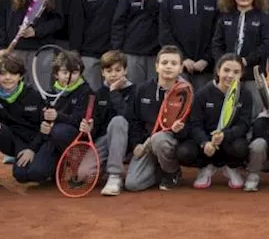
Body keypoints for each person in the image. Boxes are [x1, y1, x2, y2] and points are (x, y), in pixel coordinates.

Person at [0, 52, 46, 194]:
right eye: (3, 73)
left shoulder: (33, 96)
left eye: (12, 73)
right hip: (12, 143)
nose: (8, 78)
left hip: (34, 143)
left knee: (30, 174)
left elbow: (45, 128)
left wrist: (33, 149)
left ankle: (49, 167)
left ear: (20, 76)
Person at [124, 46, 189, 192]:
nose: (168, 66)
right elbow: (133, 120)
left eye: (173, 63)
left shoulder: (186, 92)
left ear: (181, 68)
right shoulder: (141, 89)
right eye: (164, 62)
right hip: (146, 144)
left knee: (159, 139)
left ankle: (172, 171)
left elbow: (192, 126)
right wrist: (136, 144)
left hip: (169, 142)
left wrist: (180, 130)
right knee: (133, 185)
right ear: (157, 66)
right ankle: (158, 170)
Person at [183, 55, 251, 190]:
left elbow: (244, 124)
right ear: (218, 70)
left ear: (241, 74)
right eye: (226, 70)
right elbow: (195, 125)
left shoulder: (245, 94)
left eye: (236, 72)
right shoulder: (202, 94)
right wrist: (205, 142)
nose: (230, 75)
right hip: (207, 142)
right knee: (184, 152)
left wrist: (225, 135)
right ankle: (206, 167)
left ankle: (230, 167)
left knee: (241, 148)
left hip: (229, 140)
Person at [24, 50, 92, 184]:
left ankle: (74, 160)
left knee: (58, 130)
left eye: (75, 72)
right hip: (51, 138)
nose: (70, 76)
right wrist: (43, 126)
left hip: (74, 137)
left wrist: (57, 116)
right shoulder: (49, 93)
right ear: (56, 74)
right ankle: (57, 166)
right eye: (65, 72)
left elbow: (78, 120)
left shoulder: (85, 91)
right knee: (32, 173)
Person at [211, 0, 269, 106]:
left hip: (253, 76)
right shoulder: (225, 17)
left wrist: (246, 60)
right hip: (228, 76)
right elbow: (216, 43)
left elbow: (268, 44)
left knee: (253, 110)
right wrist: (224, 63)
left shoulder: (262, 17)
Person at [158, 0, 218, 92]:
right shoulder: (169, 0)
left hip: (205, 68)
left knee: (202, 106)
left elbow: (216, 33)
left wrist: (206, 59)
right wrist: (182, 59)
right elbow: (165, 33)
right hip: (179, 67)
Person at [112, 0, 169, 86]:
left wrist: (150, 0)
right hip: (132, 52)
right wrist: (118, 49)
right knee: (133, 91)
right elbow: (119, 22)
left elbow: (164, 21)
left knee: (154, 90)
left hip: (155, 52)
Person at [69, 0, 122, 89]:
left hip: (114, 53)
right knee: (91, 94)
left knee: (114, 94)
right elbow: (76, 24)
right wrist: (76, 51)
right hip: (89, 53)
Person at [91, 50, 137, 197]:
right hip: (105, 140)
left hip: (129, 139)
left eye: (118, 70)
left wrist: (113, 92)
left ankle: (115, 175)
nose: (113, 74)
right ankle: (112, 165)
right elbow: (96, 125)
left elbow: (128, 117)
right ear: (102, 72)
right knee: (83, 175)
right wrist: (89, 127)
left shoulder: (135, 91)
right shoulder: (98, 94)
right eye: (109, 70)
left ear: (126, 70)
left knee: (118, 121)